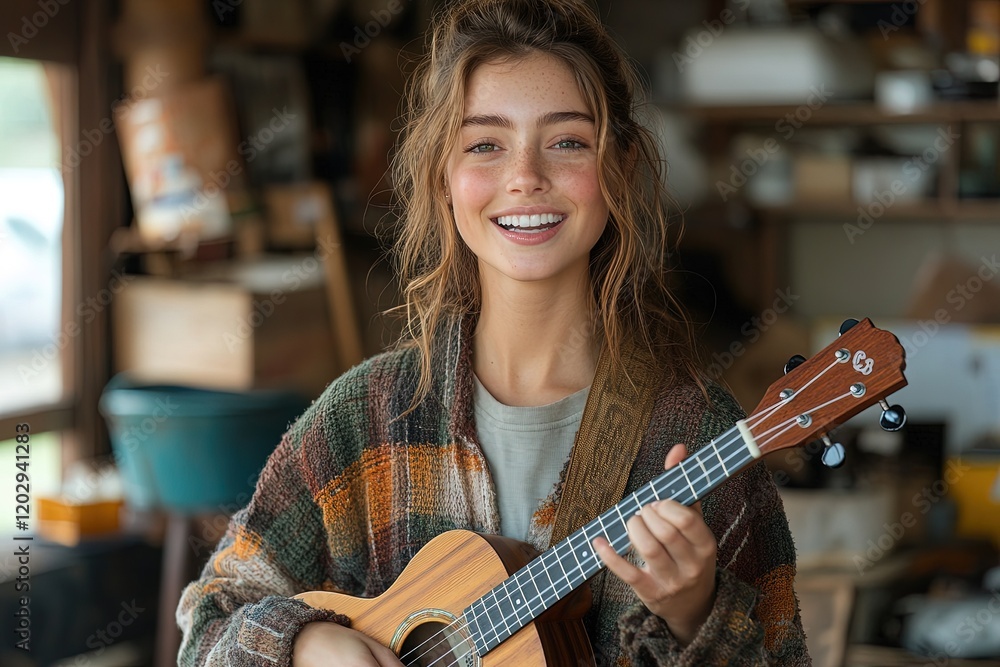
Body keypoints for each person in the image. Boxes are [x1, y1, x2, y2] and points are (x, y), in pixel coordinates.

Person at [177, 0, 810, 665]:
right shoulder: (362, 423)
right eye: (485, 144)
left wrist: (696, 618)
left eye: (567, 141)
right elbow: (207, 626)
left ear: (620, 166)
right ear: (443, 177)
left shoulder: (697, 434)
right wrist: (308, 642)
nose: (525, 177)